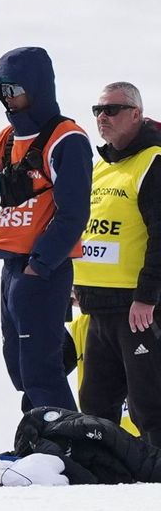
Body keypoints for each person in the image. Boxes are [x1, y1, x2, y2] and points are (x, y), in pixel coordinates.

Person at [0, 46, 91, 413]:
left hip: (42, 267)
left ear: (37, 87)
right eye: (4, 91)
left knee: (40, 370)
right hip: (11, 266)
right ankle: (41, 432)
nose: (8, 97)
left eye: (15, 89)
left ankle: (64, 440)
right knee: (20, 367)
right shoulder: (6, 139)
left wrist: (39, 266)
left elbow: (74, 213)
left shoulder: (67, 139)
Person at [72, 81, 161, 444]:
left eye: (111, 110)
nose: (102, 117)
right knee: (95, 406)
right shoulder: (102, 167)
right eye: (98, 111)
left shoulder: (152, 162)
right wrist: (78, 284)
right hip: (98, 307)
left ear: (136, 114)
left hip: (137, 310)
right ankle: (103, 473)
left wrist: (147, 296)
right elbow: (92, 231)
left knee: (149, 406)